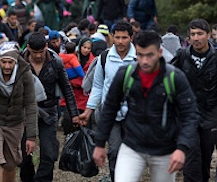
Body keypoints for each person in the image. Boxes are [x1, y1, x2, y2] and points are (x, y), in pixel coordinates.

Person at [93, 31, 199, 182]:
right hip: (132, 146)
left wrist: (181, 148)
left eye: (149, 55)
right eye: (140, 55)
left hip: (165, 149)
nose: (144, 61)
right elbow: (109, 108)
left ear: (160, 52)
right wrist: (100, 143)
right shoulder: (126, 75)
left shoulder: (175, 78)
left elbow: (190, 114)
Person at [172, 19, 217, 182]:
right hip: (187, 117)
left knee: (204, 160)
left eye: (200, 34)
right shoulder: (182, 56)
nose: (196, 38)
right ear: (188, 38)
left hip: (210, 117)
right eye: (192, 34)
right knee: (191, 159)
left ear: (209, 35)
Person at [78, 21, 137, 182]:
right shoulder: (104, 58)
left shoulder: (139, 58)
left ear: (131, 38)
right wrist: (88, 111)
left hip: (134, 115)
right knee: (114, 150)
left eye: (124, 38)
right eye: (117, 37)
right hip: (111, 113)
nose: (120, 41)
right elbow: (97, 87)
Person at [20, 33, 80, 182]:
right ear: (28, 49)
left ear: (46, 47)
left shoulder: (56, 62)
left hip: (49, 111)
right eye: (35, 52)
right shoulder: (19, 62)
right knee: (24, 155)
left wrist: (74, 114)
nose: (39, 55)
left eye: (41, 51)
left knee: (48, 153)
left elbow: (66, 89)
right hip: (25, 113)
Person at [0, 42, 38, 182]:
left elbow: (30, 104)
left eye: (10, 62)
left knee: (10, 163)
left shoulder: (25, 74)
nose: (7, 66)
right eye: (3, 62)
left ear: (16, 61)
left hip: (15, 122)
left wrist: (31, 137)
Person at [58, 41, 86, 135]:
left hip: (63, 82)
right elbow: (79, 71)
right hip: (73, 84)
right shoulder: (73, 58)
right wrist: (84, 77)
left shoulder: (60, 57)